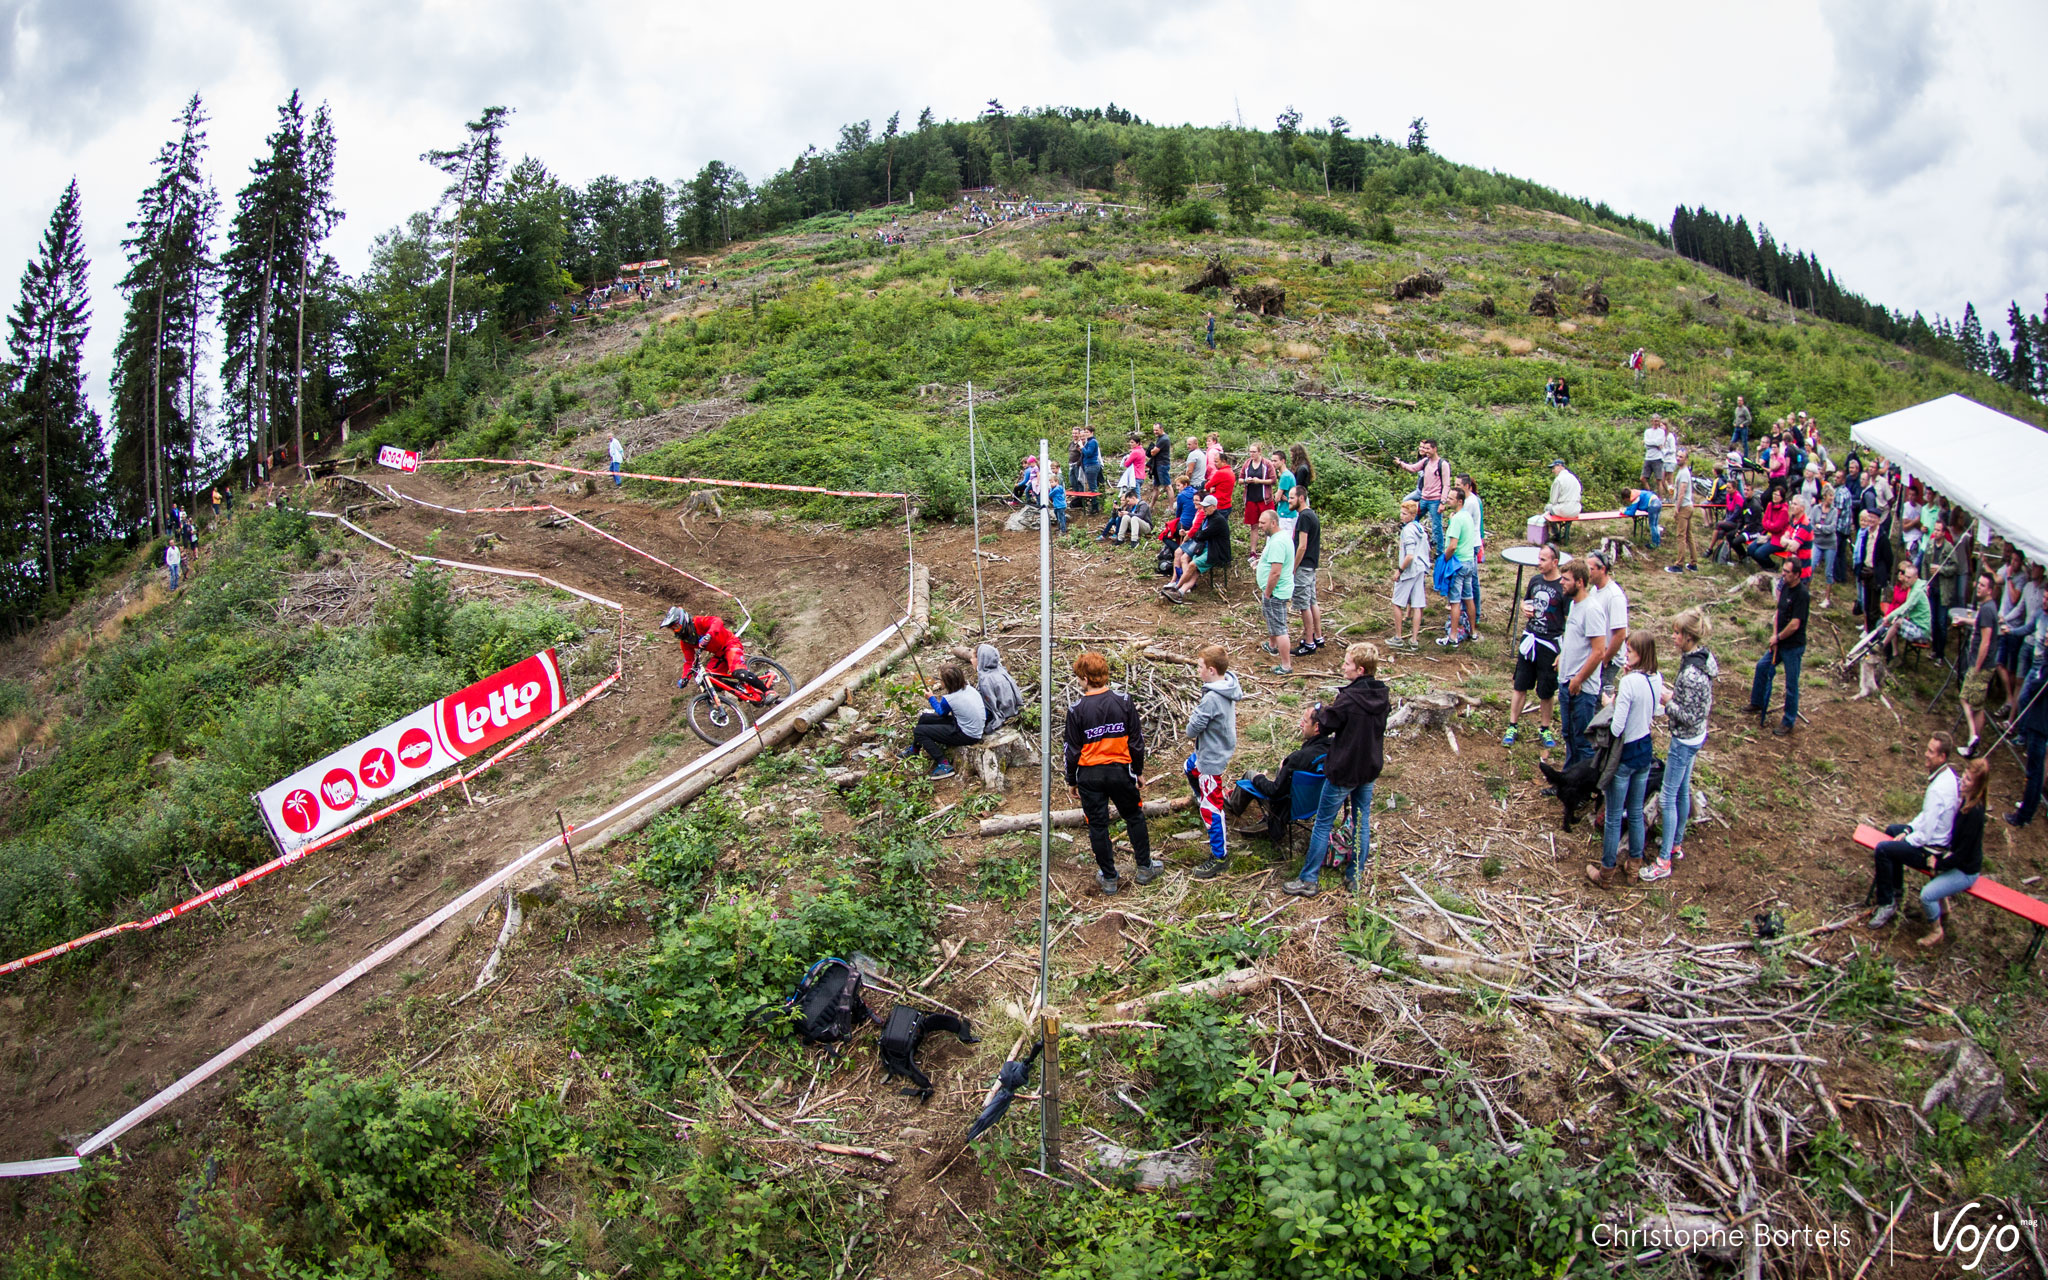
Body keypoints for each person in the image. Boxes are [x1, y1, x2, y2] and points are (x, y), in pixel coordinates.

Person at [1282, 643, 1390, 897]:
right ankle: (1356, 876)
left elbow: (1327, 724)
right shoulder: (1381, 695)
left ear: (1360, 669)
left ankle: (1309, 879)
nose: (1343, 666)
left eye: (1347, 663)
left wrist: (1319, 710)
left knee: (1323, 824)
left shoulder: (1349, 699)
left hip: (1344, 771)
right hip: (1369, 767)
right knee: (1361, 822)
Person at [1063, 651, 1156, 894]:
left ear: (1084, 678)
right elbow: (1137, 741)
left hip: (1089, 775)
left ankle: (1109, 876)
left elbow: (1072, 750)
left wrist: (1071, 779)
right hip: (1120, 771)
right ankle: (1145, 867)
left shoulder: (1076, 710)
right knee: (1134, 816)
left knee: (1097, 824)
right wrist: (1138, 771)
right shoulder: (1124, 701)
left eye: (1078, 677)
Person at [1642, 609, 1716, 881]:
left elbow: (1689, 714)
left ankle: (1663, 861)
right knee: (1683, 789)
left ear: (1688, 637)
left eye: (1676, 633)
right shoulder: (1701, 659)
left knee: (1668, 797)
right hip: (1696, 736)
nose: (1673, 637)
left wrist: (1666, 701)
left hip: (1684, 740)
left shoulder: (1691, 674)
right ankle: (1676, 844)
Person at [1588, 630, 1665, 887]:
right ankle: (1634, 867)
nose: (1626, 655)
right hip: (1645, 751)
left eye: (1629, 651)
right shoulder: (1656, 679)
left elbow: (1617, 728)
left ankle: (1606, 872)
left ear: (1640, 654)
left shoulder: (1630, 683)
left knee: (1612, 816)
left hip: (1625, 754)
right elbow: (1655, 711)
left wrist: (1612, 703)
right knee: (1634, 812)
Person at [1868, 734, 1960, 929]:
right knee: (1893, 830)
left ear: (1942, 757)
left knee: (1884, 849)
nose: (1925, 754)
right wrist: (1908, 829)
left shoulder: (1937, 790)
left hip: (1931, 850)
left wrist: (1906, 840)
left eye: (1931, 752)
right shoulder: (1948, 776)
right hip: (1936, 838)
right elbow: (1927, 816)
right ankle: (1897, 889)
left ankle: (1887, 903)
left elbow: (1924, 835)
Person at [1184, 644, 1243, 879]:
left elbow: (1192, 730)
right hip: (1214, 749)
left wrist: (1193, 722)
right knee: (1189, 766)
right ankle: (1202, 797)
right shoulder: (1227, 683)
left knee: (1212, 809)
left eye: (1199, 667)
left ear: (1210, 670)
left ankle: (1219, 857)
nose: (1197, 670)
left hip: (1210, 757)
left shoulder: (1211, 699)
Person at [1918, 760, 1989, 947]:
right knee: (1932, 872)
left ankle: (1936, 930)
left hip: (1966, 870)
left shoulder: (1974, 814)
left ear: (1978, 785)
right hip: (1957, 860)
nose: (1963, 781)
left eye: (1969, 780)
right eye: (1964, 776)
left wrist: (1939, 864)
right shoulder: (1965, 800)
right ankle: (1945, 908)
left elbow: (1963, 854)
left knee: (1926, 895)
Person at [1505, 542, 1567, 749]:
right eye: (1539, 558)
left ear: (1555, 562)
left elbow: (1568, 620)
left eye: (1543, 559)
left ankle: (1545, 728)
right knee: (1520, 684)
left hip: (1550, 644)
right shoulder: (1535, 580)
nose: (1538, 563)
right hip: (1530, 639)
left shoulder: (1563, 588)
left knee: (1546, 691)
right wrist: (1524, 607)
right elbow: (1526, 600)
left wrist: (1563, 651)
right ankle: (1512, 725)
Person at [1749, 556, 1809, 737]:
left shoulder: (1802, 595)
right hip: (1779, 642)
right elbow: (1779, 612)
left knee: (1791, 685)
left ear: (1797, 575)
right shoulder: (1784, 587)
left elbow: (1795, 624)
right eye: (1783, 570)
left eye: (1787, 572)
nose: (1783, 574)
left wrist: (1779, 638)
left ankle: (1788, 721)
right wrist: (1775, 636)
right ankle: (1757, 702)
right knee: (1762, 667)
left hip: (1793, 646)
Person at [1558, 562, 1609, 768]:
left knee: (1582, 741)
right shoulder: (1574, 605)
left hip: (1581, 690)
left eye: (1566, 579)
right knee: (1569, 735)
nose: (1561, 583)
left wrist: (1579, 679)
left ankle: (1583, 786)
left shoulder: (1592, 610)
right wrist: (1561, 656)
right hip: (1566, 682)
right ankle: (1569, 778)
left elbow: (1599, 651)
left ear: (1579, 582)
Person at [905, 663, 986, 780]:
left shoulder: (949, 699)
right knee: (924, 718)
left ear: (946, 682)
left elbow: (941, 712)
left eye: (940, 679)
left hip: (968, 734)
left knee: (919, 731)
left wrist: (931, 698)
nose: (939, 682)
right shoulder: (969, 689)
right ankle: (915, 749)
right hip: (968, 724)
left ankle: (943, 764)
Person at [1957, 573, 2001, 757]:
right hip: (1985, 664)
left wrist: (1977, 667)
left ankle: (1973, 737)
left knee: (1965, 698)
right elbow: (1980, 624)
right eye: (1978, 584)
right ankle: (1974, 741)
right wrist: (1965, 620)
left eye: (1983, 585)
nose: (1978, 587)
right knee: (1977, 705)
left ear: (1990, 590)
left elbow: (1986, 641)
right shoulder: (1988, 608)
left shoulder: (1987, 609)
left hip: (1982, 665)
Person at [1162, 495, 1230, 600]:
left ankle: (1176, 588)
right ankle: (1180, 592)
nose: (1204, 509)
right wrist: (1196, 534)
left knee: (1192, 565)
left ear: (1214, 507)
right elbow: (1199, 533)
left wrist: (1197, 535)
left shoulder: (1218, 520)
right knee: (1194, 572)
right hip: (1206, 548)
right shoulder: (1208, 518)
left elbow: (1202, 535)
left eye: (1206, 507)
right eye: (1203, 506)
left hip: (1215, 551)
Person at [2006, 663, 2048, 827]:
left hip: (2040, 723)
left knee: (2034, 772)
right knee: (2036, 772)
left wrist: (2035, 682)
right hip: (2041, 722)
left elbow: (2036, 689)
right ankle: (2028, 808)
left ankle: (2023, 815)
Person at [1256, 509, 1296, 675]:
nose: (1260, 526)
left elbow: (1276, 571)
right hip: (1276, 590)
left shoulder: (1278, 542)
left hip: (1276, 591)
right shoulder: (1279, 538)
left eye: (1263, 523)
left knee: (1280, 628)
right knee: (1272, 620)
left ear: (1273, 523)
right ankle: (1272, 646)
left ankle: (1286, 665)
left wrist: (1268, 592)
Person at [1437, 486, 1478, 648]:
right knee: (1469, 598)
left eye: (1451, 499)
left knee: (1455, 601)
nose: (1448, 500)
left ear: (1460, 501)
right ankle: (1473, 632)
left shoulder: (1457, 519)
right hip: (1469, 562)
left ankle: (1452, 636)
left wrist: (1444, 559)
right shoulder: (1466, 516)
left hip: (1458, 564)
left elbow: (1452, 545)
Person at [1397, 439, 1454, 553]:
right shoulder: (1425, 461)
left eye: (1428, 449)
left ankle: (1439, 552)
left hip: (1435, 500)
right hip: (1424, 498)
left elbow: (1446, 484)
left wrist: (1443, 502)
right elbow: (1413, 468)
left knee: (1436, 527)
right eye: (1424, 448)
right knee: (1412, 519)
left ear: (1434, 449)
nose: (1425, 451)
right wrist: (1400, 463)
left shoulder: (1443, 464)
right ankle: (1412, 544)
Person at [663, 607, 748, 683]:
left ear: (683, 621)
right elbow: (689, 661)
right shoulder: (685, 642)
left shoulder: (698, 622)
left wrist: (709, 635)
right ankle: (738, 689)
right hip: (719, 654)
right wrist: (685, 677)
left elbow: (717, 621)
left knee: (738, 672)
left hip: (730, 644)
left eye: (676, 627)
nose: (675, 630)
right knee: (708, 680)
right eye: (673, 629)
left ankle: (762, 691)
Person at [1588, 550, 1629, 693]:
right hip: (1596, 653)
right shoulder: (1594, 590)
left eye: (1591, 569)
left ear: (1603, 569)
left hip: (1608, 659)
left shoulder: (1614, 596)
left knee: (1601, 698)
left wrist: (1606, 658)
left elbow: (1620, 634)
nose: (1588, 573)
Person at [1390, 498, 1428, 649]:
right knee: (1418, 604)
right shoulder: (1420, 529)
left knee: (1396, 602)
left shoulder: (1408, 531)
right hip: (1421, 569)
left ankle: (1398, 637)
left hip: (1410, 570)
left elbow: (1410, 555)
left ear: (1412, 515)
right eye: (1401, 512)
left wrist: (1399, 570)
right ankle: (1414, 640)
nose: (1401, 516)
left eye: (1405, 514)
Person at [1291, 490, 1324, 656]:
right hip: (1311, 565)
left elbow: (1302, 545)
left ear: (1301, 498)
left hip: (1303, 566)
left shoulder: (1304, 516)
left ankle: (1309, 642)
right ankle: (1318, 636)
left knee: (1304, 605)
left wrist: (1293, 567)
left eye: (1291, 497)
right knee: (1312, 601)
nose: (1288, 500)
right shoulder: (1312, 515)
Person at [1876, 562, 1932, 660]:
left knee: (1897, 622)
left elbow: (1906, 607)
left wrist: (1888, 617)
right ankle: (1891, 654)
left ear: (1916, 577)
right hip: (1913, 623)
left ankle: (1882, 646)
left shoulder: (1917, 590)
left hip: (1921, 630)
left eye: (1909, 578)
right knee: (1892, 622)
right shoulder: (1912, 586)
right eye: (1905, 576)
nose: (1906, 580)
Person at [975, 643, 1023, 732]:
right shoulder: (1000, 670)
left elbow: (991, 705)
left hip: (1004, 712)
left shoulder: (986, 679)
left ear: (981, 659)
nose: (971, 660)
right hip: (1012, 708)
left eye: (973, 658)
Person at [1663, 451, 1699, 572]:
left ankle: (1679, 564)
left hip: (1684, 507)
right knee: (1689, 535)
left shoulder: (1684, 473)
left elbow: (1682, 492)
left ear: (1686, 459)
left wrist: (1677, 508)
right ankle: (1693, 563)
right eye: (1677, 456)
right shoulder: (1682, 472)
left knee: (1681, 536)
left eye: (1681, 457)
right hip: (1688, 506)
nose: (1678, 459)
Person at [1240, 443, 1276, 553]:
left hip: (1264, 499)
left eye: (1254, 452)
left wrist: (1259, 481)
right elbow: (1240, 479)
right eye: (1250, 452)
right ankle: (1253, 551)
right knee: (1253, 526)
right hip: (1251, 498)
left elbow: (1273, 480)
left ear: (1259, 452)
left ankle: (1268, 549)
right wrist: (1247, 480)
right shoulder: (1247, 464)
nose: (1252, 454)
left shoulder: (1267, 464)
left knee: (1268, 524)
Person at [1544, 458, 1583, 545]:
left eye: (1553, 468)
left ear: (1560, 466)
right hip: (1576, 510)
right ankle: (1565, 534)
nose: (1553, 471)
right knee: (1555, 509)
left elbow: (1553, 500)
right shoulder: (1574, 478)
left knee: (1547, 508)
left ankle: (1556, 535)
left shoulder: (1558, 480)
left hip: (1564, 510)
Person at [1079, 426, 1103, 514]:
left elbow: (1088, 453)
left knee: (1093, 487)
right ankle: (1095, 505)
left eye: (1087, 432)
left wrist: (1082, 447)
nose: (1085, 434)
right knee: (1093, 486)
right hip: (1088, 466)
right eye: (1085, 432)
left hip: (1091, 466)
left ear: (1092, 432)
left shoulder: (1092, 442)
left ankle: (1095, 507)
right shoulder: (1089, 442)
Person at [1146, 424, 1173, 497]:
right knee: (1155, 486)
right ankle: (1151, 506)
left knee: (1167, 486)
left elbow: (1153, 452)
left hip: (1162, 465)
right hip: (1157, 465)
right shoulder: (1160, 438)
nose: (1155, 432)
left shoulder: (1164, 439)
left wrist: (1151, 450)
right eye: (1154, 430)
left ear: (1162, 429)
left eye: (1156, 430)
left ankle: (1171, 507)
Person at [1640, 419, 1667, 490]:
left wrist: (1649, 442)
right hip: (1648, 457)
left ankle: (1661, 499)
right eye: (1655, 421)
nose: (1656, 423)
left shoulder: (1661, 432)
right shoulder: (1647, 431)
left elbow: (1659, 443)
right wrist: (1653, 443)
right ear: (1651, 421)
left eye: (1658, 421)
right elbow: (1646, 444)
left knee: (1659, 480)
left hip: (1657, 457)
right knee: (1643, 478)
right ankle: (1650, 495)